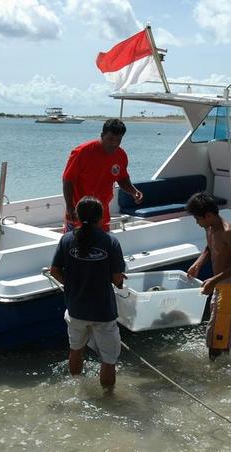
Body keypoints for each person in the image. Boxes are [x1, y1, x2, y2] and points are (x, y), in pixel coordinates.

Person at [49, 196, 126, 389]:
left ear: (76, 216)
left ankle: (76, 387)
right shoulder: (111, 242)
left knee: (76, 350)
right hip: (103, 312)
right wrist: (119, 282)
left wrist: (71, 285)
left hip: (76, 310)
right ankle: (109, 398)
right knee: (108, 360)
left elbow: (54, 271)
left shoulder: (66, 240)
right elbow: (117, 279)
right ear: (101, 218)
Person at [185, 192, 231, 361]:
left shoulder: (229, 232)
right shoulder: (209, 226)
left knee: (218, 343)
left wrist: (214, 280)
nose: (197, 223)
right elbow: (210, 247)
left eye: (198, 219)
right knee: (214, 336)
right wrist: (198, 263)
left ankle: (222, 378)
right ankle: (217, 373)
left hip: (230, 288)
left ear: (209, 215)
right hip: (219, 287)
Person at [62, 118, 143, 232]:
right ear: (102, 135)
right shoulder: (82, 152)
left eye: (118, 140)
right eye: (110, 139)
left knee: (100, 249)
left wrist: (133, 191)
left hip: (102, 218)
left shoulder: (121, 155)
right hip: (78, 215)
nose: (114, 143)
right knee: (74, 249)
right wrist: (70, 207)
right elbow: (67, 180)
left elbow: (122, 178)